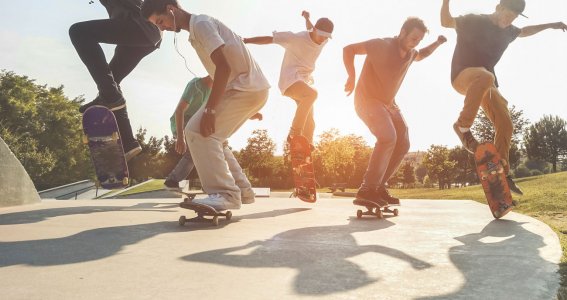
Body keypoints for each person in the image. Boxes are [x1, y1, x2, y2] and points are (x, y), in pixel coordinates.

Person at [141, 0, 270, 211]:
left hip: (243, 88)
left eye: (161, 21)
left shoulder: (200, 24)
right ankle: (242, 191)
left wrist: (210, 109)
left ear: (170, 9)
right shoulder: (197, 28)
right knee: (214, 138)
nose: (162, 28)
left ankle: (226, 194)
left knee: (196, 132)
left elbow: (223, 67)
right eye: (158, 25)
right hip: (249, 89)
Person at [441, 0, 567, 195]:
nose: (510, 20)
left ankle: (501, 175)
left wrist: (551, 25)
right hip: (463, 76)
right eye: (508, 15)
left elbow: (525, 31)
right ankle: (462, 126)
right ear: (498, 8)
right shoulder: (474, 20)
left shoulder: (509, 32)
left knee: (506, 123)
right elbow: (446, 21)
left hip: (486, 84)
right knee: (485, 75)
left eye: (514, 17)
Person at [343, 18, 447, 206]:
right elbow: (348, 49)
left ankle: (378, 187)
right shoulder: (380, 45)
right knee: (388, 137)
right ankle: (367, 189)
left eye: (419, 40)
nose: (415, 43)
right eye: (413, 38)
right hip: (367, 101)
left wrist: (438, 43)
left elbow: (422, 54)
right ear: (402, 32)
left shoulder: (411, 53)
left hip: (389, 104)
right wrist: (351, 75)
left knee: (403, 143)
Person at [69, 0, 162, 161]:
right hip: (146, 33)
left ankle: (109, 97)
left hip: (140, 25)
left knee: (79, 32)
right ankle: (128, 142)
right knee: (111, 81)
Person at [164, 76, 262, 205]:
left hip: (199, 124)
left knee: (218, 146)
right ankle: (173, 180)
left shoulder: (218, 90)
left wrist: (250, 113)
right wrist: (181, 138)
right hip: (182, 123)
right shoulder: (195, 85)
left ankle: (228, 186)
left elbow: (228, 107)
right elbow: (180, 110)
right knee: (196, 149)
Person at [243, 11, 333, 146]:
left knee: (310, 123)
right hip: (289, 81)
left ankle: (304, 151)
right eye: (322, 35)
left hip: (303, 83)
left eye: (327, 37)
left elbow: (310, 26)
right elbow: (270, 39)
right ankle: (294, 133)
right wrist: (246, 40)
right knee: (312, 94)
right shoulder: (295, 38)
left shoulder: (322, 39)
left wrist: (307, 17)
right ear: (315, 30)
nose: (323, 39)